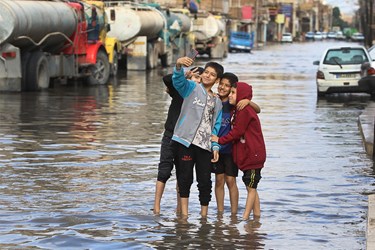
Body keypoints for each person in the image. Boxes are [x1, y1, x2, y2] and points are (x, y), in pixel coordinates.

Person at [172, 56, 224, 217]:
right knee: (185, 178)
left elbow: (215, 127)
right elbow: (177, 82)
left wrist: (215, 147)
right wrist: (178, 65)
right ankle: (185, 216)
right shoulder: (191, 88)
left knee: (205, 181)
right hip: (184, 142)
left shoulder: (217, 102)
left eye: (212, 74)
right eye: (206, 72)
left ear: (217, 80)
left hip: (204, 146)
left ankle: (204, 216)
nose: (207, 75)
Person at [212, 82, 266, 220]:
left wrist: (219, 140)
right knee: (250, 186)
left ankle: (245, 218)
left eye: (233, 93)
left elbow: (237, 132)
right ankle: (257, 217)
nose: (230, 95)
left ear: (241, 95)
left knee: (251, 188)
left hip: (254, 155)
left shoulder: (244, 110)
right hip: (249, 155)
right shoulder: (238, 109)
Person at [153, 67, 204, 215]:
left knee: (183, 175)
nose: (196, 80)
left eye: (198, 77)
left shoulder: (201, 99)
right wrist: (183, 74)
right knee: (164, 171)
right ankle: (156, 207)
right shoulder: (180, 92)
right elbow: (167, 80)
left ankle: (179, 209)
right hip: (170, 135)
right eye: (194, 77)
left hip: (186, 139)